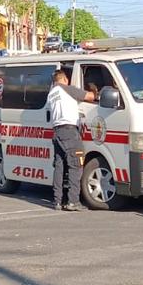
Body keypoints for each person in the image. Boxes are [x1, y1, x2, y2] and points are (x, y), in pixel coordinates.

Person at [47, 69, 83, 212]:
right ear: (65, 79)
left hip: (57, 132)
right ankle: (73, 201)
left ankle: (57, 201)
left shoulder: (51, 94)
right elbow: (90, 96)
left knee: (59, 167)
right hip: (69, 131)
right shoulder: (68, 90)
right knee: (76, 165)